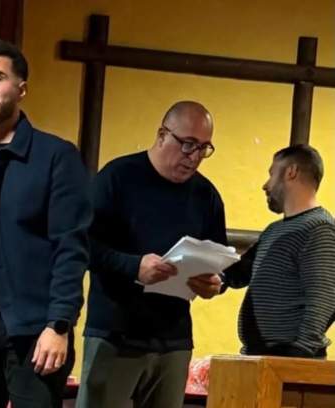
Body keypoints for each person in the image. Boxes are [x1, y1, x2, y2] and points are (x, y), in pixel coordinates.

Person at [0, 39, 92, 408]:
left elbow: (71, 249)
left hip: (35, 329)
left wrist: (59, 325)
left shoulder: (56, 156)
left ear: (21, 89)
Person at [77, 101, 226, 408]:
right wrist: (134, 267)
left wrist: (215, 283)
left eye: (204, 148)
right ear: (162, 135)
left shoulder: (206, 195)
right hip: (116, 334)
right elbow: (83, 245)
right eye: (188, 144)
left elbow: (219, 257)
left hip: (174, 340)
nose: (194, 156)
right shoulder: (117, 177)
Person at [224, 144, 335, 358]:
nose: (265, 185)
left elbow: (325, 297)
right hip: (260, 356)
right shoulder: (273, 231)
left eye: (272, 174)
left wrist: (301, 351)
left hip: (290, 359)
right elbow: (238, 274)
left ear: (291, 172)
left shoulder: (319, 229)